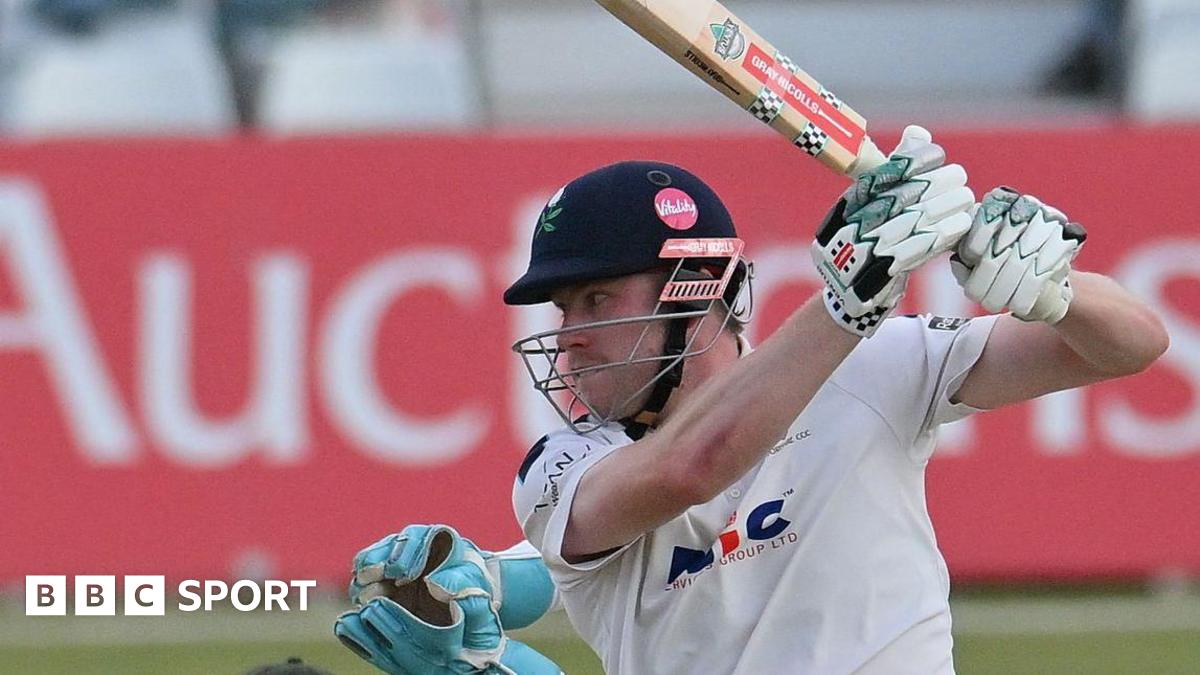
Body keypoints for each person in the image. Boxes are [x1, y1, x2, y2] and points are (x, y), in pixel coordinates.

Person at [334, 127, 1169, 674]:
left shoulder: (878, 366)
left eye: (595, 300)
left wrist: (1051, 287)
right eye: (562, 309)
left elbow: (1135, 345)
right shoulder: (563, 468)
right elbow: (693, 467)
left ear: (693, 290)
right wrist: (846, 302)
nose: (570, 332)